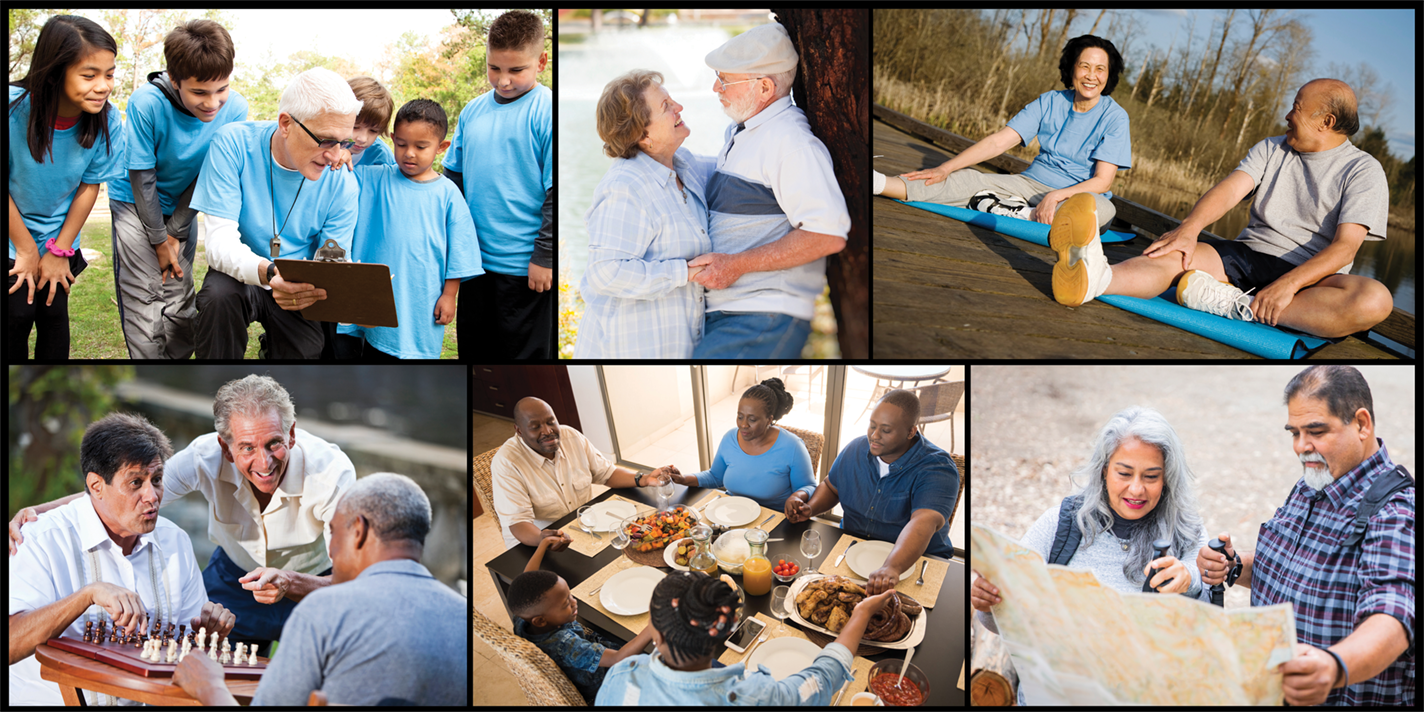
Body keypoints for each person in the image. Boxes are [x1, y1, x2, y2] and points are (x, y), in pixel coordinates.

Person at [11, 375, 355, 659]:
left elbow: (353, 581)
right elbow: (120, 491)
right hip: (236, 577)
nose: (264, 463)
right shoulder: (205, 456)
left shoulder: (332, 473)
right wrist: (38, 513)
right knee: (213, 676)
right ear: (225, 447)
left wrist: (291, 582)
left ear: (292, 434)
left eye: (275, 444)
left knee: (327, 679)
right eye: (247, 448)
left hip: (316, 584)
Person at [1050, 79, 1394, 340]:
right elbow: (1230, 190)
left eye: (1297, 107)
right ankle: (1097, 277)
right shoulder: (1272, 148)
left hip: (1311, 279)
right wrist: (1189, 228)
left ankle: (1236, 305)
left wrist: (1288, 284)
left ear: (1326, 121)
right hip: (1247, 255)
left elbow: (1345, 247)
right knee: (1174, 254)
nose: (1288, 115)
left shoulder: (1363, 170)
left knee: (1375, 300)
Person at [1195, 366, 1412, 705]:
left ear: (1361, 424)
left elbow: (1393, 616)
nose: (1301, 447)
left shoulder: (1396, 511)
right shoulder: (1314, 481)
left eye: (1315, 431)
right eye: (1293, 433)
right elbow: (1292, 576)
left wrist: (1334, 665)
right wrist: (1234, 566)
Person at [969, 405, 1208, 705]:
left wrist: (1191, 578)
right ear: (1104, 469)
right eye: (1124, 473)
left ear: (1167, 478)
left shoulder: (1185, 531)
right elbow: (1003, 623)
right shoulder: (1061, 524)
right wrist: (988, 604)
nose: (1137, 489)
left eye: (1151, 476)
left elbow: (1206, 619)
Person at [171, 473, 468, 705]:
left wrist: (208, 686)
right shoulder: (462, 616)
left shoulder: (325, 611)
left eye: (333, 532)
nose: (331, 552)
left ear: (359, 530)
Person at [8, 413, 235, 705]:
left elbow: (187, 649)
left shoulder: (175, 541)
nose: (152, 496)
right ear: (96, 486)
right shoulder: (41, 539)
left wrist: (206, 631)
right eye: (136, 483)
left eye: (156, 480)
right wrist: (87, 595)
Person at [691, 22, 851, 358]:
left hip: (763, 315)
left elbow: (827, 235)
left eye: (724, 79)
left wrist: (736, 264)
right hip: (734, 311)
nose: (715, 88)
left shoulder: (790, 142)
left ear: (764, 87)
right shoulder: (745, 132)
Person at [189, 67, 361, 359]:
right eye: (325, 140)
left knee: (306, 353)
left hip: (298, 282)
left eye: (344, 143)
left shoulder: (343, 183)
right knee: (218, 299)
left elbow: (331, 260)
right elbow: (219, 245)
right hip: (241, 273)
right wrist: (269, 274)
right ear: (285, 123)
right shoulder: (232, 144)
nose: (335, 156)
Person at [879, 34, 1129, 234]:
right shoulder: (1049, 101)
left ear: (1108, 75)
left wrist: (1056, 196)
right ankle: (879, 183)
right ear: (1072, 68)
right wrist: (945, 168)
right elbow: (999, 142)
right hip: (1029, 185)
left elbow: (1103, 182)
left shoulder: (1115, 118)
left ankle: (1020, 213)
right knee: (966, 180)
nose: (1091, 76)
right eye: (1085, 66)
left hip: (1078, 197)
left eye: (1100, 69)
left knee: (1098, 210)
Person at [105, 19, 248, 359]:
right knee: (146, 299)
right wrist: (158, 239)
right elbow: (142, 176)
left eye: (221, 89)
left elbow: (210, 174)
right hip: (134, 202)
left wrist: (175, 231)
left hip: (186, 204)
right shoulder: (147, 103)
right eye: (199, 92)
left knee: (180, 298)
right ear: (174, 80)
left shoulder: (236, 108)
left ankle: (179, 364)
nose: (213, 103)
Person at [8, 14, 127, 360]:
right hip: (13, 235)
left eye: (109, 74)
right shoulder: (14, 108)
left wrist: (59, 252)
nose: (103, 85)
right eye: (89, 75)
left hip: (59, 239)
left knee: (53, 316)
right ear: (54, 71)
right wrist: (27, 250)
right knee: (17, 313)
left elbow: (89, 187)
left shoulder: (107, 119)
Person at [596, 570, 896, 704]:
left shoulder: (622, 674)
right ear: (725, 636)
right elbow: (820, 681)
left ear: (655, 634)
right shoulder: (755, 697)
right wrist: (861, 614)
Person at [576, 69, 713, 358]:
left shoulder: (683, 165)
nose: (679, 107)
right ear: (641, 134)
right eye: (666, 106)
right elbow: (605, 272)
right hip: (629, 349)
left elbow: (737, 166)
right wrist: (683, 273)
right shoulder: (626, 186)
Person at [446, 9, 553, 360]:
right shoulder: (472, 112)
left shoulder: (546, 111)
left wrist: (544, 256)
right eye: (495, 68)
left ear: (541, 61)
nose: (503, 80)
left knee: (525, 360)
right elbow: (452, 183)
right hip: (475, 266)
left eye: (516, 70)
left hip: (526, 270)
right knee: (474, 355)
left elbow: (557, 192)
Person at [338, 99, 482, 359]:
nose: (409, 153)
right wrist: (344, 152)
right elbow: (336, 178)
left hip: (421, 300)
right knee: (373, 354)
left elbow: (460, 251)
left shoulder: (448, 194)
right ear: (393, 138)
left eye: (421, 146)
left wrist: (449, 295)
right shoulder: (374, 177)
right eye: (402, 144)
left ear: (442, 148)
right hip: (375, 300)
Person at [785, 389, 958, 595]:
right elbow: (832, 487)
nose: (874, 435)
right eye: (872, 426)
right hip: (852, 552)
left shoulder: (938, 467)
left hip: (918, 564)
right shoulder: (856, 449)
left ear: (911, 432)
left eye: (886, 430)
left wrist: (892, 567)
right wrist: (810, 508)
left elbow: (923, 523)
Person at [490, 397, 677, 550]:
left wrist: (643, 479)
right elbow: (518, 523)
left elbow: (607, 473)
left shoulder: (571, 436)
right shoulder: (507, 462)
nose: (547, 431)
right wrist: (543, 539)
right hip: (537, 542)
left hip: (585, 527)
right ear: (519, 431)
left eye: (550, 421)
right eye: (535, 426)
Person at [507, 532, 658, 704]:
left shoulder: (523, 615)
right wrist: (655, 623)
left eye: (570, 595)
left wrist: (543, 544)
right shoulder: (566, 645)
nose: (574, 602)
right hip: (603, 682)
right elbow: (617, 659)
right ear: (540, 620)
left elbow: (526, 577)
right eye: (566, 604)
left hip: (590, 651)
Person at [665, 378, 816, 511]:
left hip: (774, 520)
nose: (743, 425)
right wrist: (684, 479)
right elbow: (715, 476)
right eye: (740, 416)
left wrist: (797, 497)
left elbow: (809, 487)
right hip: (730, 514)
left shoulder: (793, 447)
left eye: (752, 419)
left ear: (769, 420)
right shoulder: (730, 438)